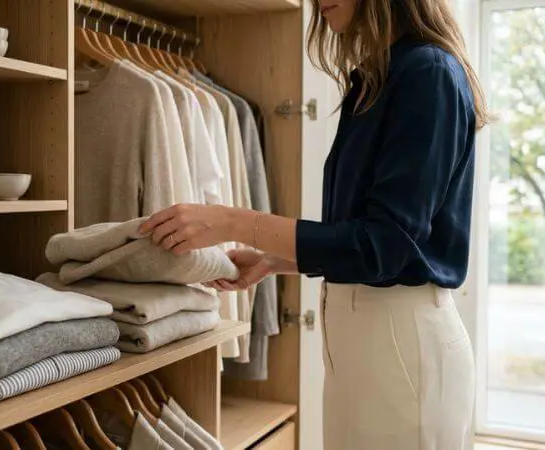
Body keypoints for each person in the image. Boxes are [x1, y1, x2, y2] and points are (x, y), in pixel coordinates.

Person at [139, 0, 488, 447]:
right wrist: (275, 260)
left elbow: (384, 246)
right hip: (365, 346)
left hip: (402, 347)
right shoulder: (376, 78)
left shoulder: (427, 73)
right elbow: (364, 237)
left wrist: (232, 221)